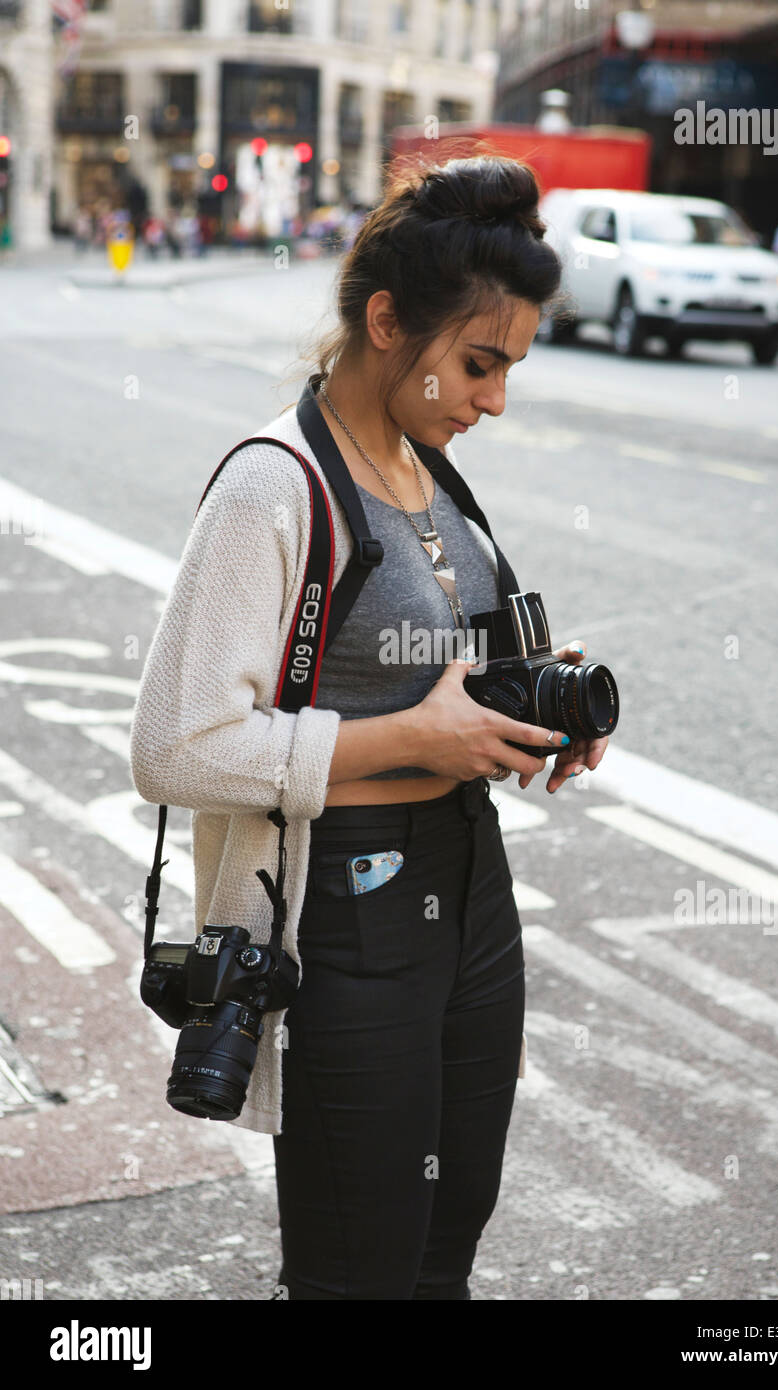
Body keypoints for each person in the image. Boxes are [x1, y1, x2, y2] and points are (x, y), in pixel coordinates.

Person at [129, 154, 609, 1300]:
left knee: (450, 1230)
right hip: (342, 910)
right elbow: (174, 744)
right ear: (386, 319)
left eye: (509, 369)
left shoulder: (426, 461)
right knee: (361, 1258)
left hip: (467, 889)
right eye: (477, 363)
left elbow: (429, 676)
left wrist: (529, 696)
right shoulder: (271, 487)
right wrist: (413, 742)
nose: (494, 398)